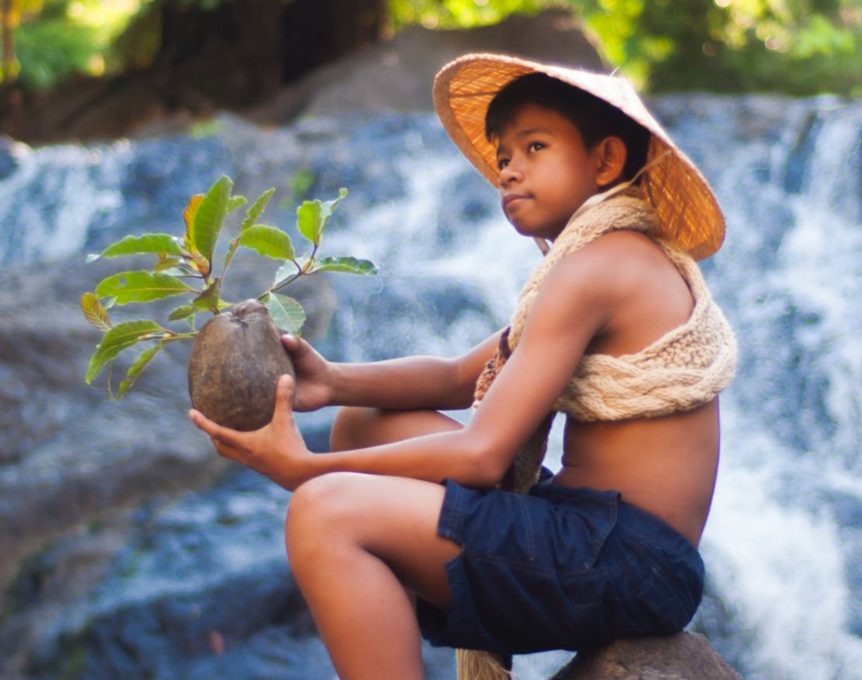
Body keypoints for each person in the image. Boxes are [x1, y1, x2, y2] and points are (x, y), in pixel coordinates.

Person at [189, 53, 737, 679]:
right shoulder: (604, 259)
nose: (509, 171)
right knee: (366, 421)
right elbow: (458, 375)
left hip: (625, 562)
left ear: (606, 161)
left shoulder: (600, 266)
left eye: (535, 147)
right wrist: (334, 382)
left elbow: (483, 456)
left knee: (323, 511)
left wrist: (307, 469)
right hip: (601, 541)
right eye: (504, 156)